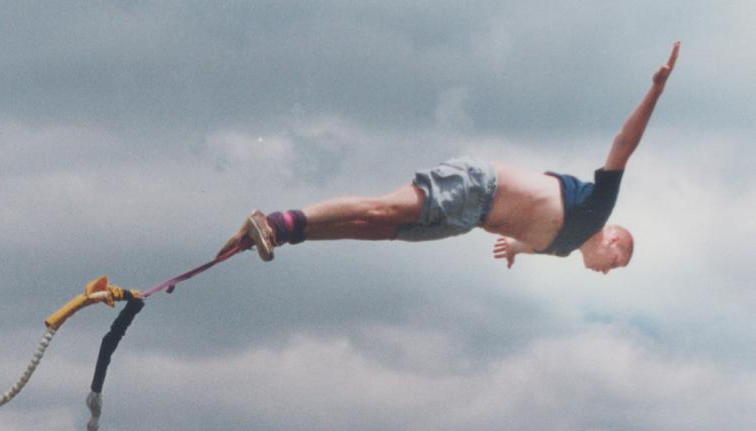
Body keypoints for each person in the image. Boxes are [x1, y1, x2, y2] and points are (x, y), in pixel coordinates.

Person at [219, 43, 679, 274]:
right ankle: (279, 220)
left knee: (381, 231)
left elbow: (532, 242)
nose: (605, 272)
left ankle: (285, 235)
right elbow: (623, 146)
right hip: (479, 186)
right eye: (614, 265)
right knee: (386, 209)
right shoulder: (598, 210)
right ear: (615, 241)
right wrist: (656, 89)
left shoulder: (562, 249)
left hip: (469, 219)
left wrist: (515, 248)